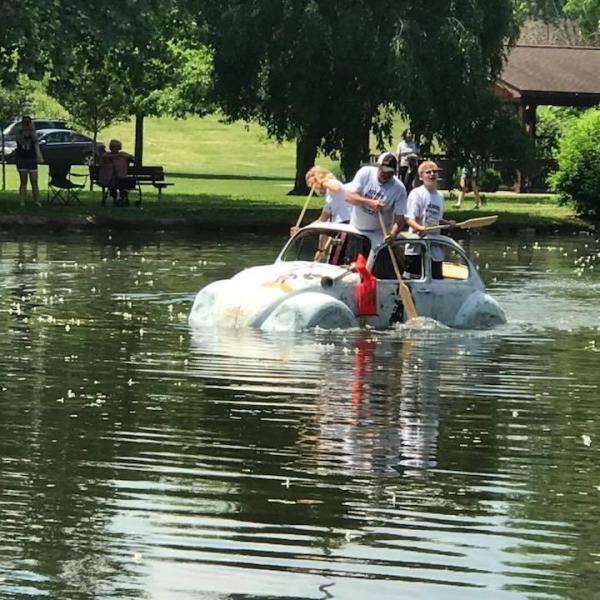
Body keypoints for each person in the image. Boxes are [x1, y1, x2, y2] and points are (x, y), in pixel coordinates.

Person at [344, 152, 407, 251]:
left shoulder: (399, 189)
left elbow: (399, 220)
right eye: (383, 171)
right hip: (356, 231)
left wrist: (393, 234)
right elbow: (349, 197)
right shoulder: (365, 173)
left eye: (390, 173)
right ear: (378, 165)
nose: (386, 175)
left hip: (379, 236)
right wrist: (370, 203)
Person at [404, 160, 456, 279]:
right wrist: (419, 228)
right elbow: (408, 218)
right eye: (428, 172)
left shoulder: (440, 196)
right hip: (417, 247)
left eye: (435, 172)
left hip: (434, 248)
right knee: (415, 281)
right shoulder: (417, 194)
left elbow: (437, 219)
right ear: (421, 177)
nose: (432, 174)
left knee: (435, 281)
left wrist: (448, 223)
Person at [14, 116, 44, 207]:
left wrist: (31, 130)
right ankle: (22, 201)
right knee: (23, 181)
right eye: (25, 122)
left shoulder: (33, 133)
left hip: (32, 159)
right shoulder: (19, 132)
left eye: (28, 122)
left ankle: (37, 200)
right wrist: (23, 130)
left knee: (34, 181)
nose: (27, 124)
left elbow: (36, 141)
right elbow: (20, 140)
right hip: (22, 158)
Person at [98, 139, 135, 205]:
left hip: (121, 178)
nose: (116, 149)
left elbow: (132, 158)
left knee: (120, 182)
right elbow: (104, 157)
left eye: (118, 147)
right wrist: (119, 156)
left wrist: (127, 157)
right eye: (115, 147)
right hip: (108, 178)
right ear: (111, 147)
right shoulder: (107, 155)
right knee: (115, 182)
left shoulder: (123, 155)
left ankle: (121, 199)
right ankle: (120, 198)